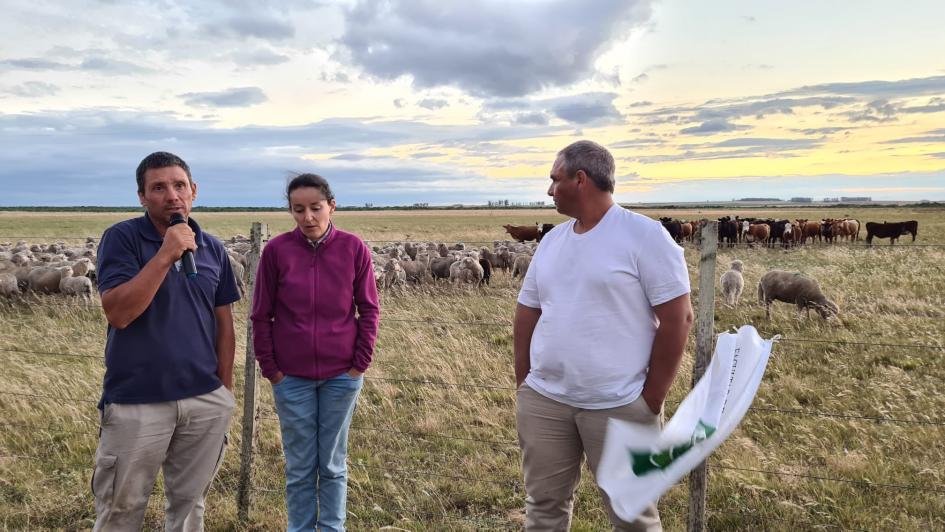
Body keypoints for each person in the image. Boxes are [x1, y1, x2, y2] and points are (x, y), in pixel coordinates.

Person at [513, 140, 693, 531]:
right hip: (546, 401)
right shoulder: (552, 242)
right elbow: (528, 310)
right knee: (543, 507)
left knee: (633, 515)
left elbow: (678, 318)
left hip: (620, 404)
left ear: (580, 180)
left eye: (554, 179)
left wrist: (650, 399)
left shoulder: (645, 237)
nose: (548, 191)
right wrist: (525, 382)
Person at [93, 151, 240, 531]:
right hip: (136, 401)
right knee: (121, 509)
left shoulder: (213, 249)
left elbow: (224, 323)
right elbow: (119, 313)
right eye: (158, 187)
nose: (172, 195)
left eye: (179, 185)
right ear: (142, 197)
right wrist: (166, 253)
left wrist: (223, 390)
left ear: (194, 191)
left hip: (204, 399)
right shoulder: (121, 238)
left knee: (191, 509)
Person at [251, 173, 379, 532]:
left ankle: (332, 528)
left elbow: (368, 309)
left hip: (342, 376)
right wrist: (271, 369)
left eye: (315, 208)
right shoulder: (276, 252)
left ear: (331, 207)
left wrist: (359, 364)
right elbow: (261, 314)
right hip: (291, 378)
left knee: (333, 463)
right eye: (298, 209)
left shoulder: (354, 249)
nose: (307, 217)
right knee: (300, 465)